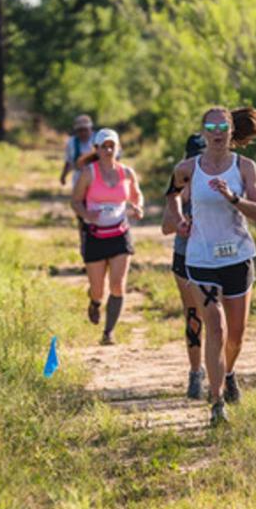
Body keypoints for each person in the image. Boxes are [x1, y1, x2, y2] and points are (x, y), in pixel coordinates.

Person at [165, 107, 256, 426]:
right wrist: (179, 220)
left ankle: (229, 372)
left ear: (231, 131)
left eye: (223, 126)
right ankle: (217, 400)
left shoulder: (246, 167)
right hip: (201, 258)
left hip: (237, 257)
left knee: (236, 335)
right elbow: (171, 200)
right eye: (211, 126)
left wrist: (232, 197)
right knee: (216, 327)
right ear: (204, 132)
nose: (217, 131)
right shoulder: (186, 168)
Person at [71, 128, 144, 345]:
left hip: (120, 235)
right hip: (95, 235)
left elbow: (136, 195)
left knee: (118, 285)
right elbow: (75, 201)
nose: (108, 149)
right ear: (97, 148)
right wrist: (86, 214)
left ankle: (108, 332)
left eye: (112, 145)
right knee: (98, 289)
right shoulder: (89, 173)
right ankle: (94, 302)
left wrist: (138, 207)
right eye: (104, 146)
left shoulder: (127, 173)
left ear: (118, 148)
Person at [162, 133, 208, 399]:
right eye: (192, 158)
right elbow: (166, 227)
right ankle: (194, 372)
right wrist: (182, 222)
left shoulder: (219, 178)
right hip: (185, 257)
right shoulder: (179, 183)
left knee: (217, 317)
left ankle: (222, 373)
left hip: (216, 258)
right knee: (194, 315)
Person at [60, 115, 95, 187]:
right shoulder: (71, 142)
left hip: (96, 176)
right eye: (80, 130)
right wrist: (63, 175)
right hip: (78, 175)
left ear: (90, 128)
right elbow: (68, 161)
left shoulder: (98, 139)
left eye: (85, 130)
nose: (83, 133)